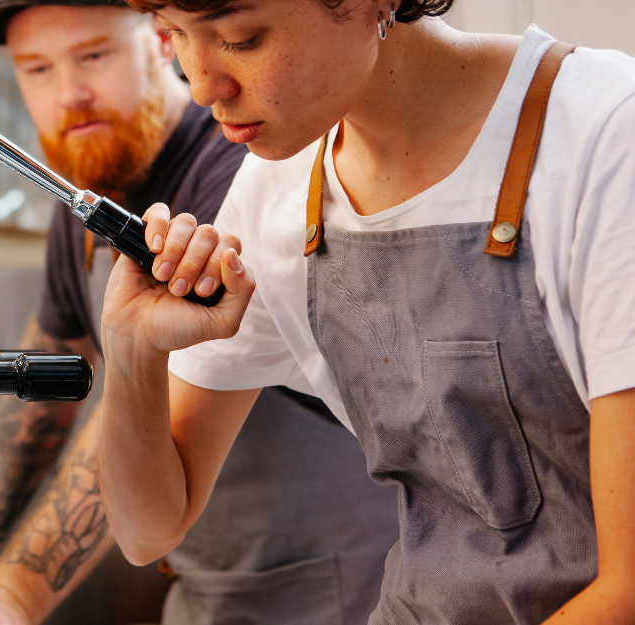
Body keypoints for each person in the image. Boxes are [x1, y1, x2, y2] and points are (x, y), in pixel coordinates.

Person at [94, 0, 635, 623]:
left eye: (241, 39)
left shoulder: (604, 136)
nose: (202, 85)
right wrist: (134, 349)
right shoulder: (279, 190)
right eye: (175, 36)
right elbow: (147, 530)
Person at [0, 1, 399, 623]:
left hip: (330, 587)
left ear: (163, 41)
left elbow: (137, 403)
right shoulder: (84, 186)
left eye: (93, 56)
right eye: (37, 69)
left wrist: (13, 596)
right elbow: (43, 395)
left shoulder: (242, 166)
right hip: (203, 583)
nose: (70, 94)